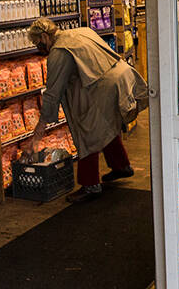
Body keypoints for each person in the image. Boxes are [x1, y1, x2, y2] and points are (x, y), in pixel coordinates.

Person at [24, 18, 149, 203]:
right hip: (122, 76)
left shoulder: (58, 52)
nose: (39, 48)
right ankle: (121, 166)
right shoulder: (80, 31)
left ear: (44, 36)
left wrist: (37, 136)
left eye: (38, 43)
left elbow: (52, 94)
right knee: (103, 125)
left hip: (105, 87)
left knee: (86, 133)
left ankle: (90, 185)